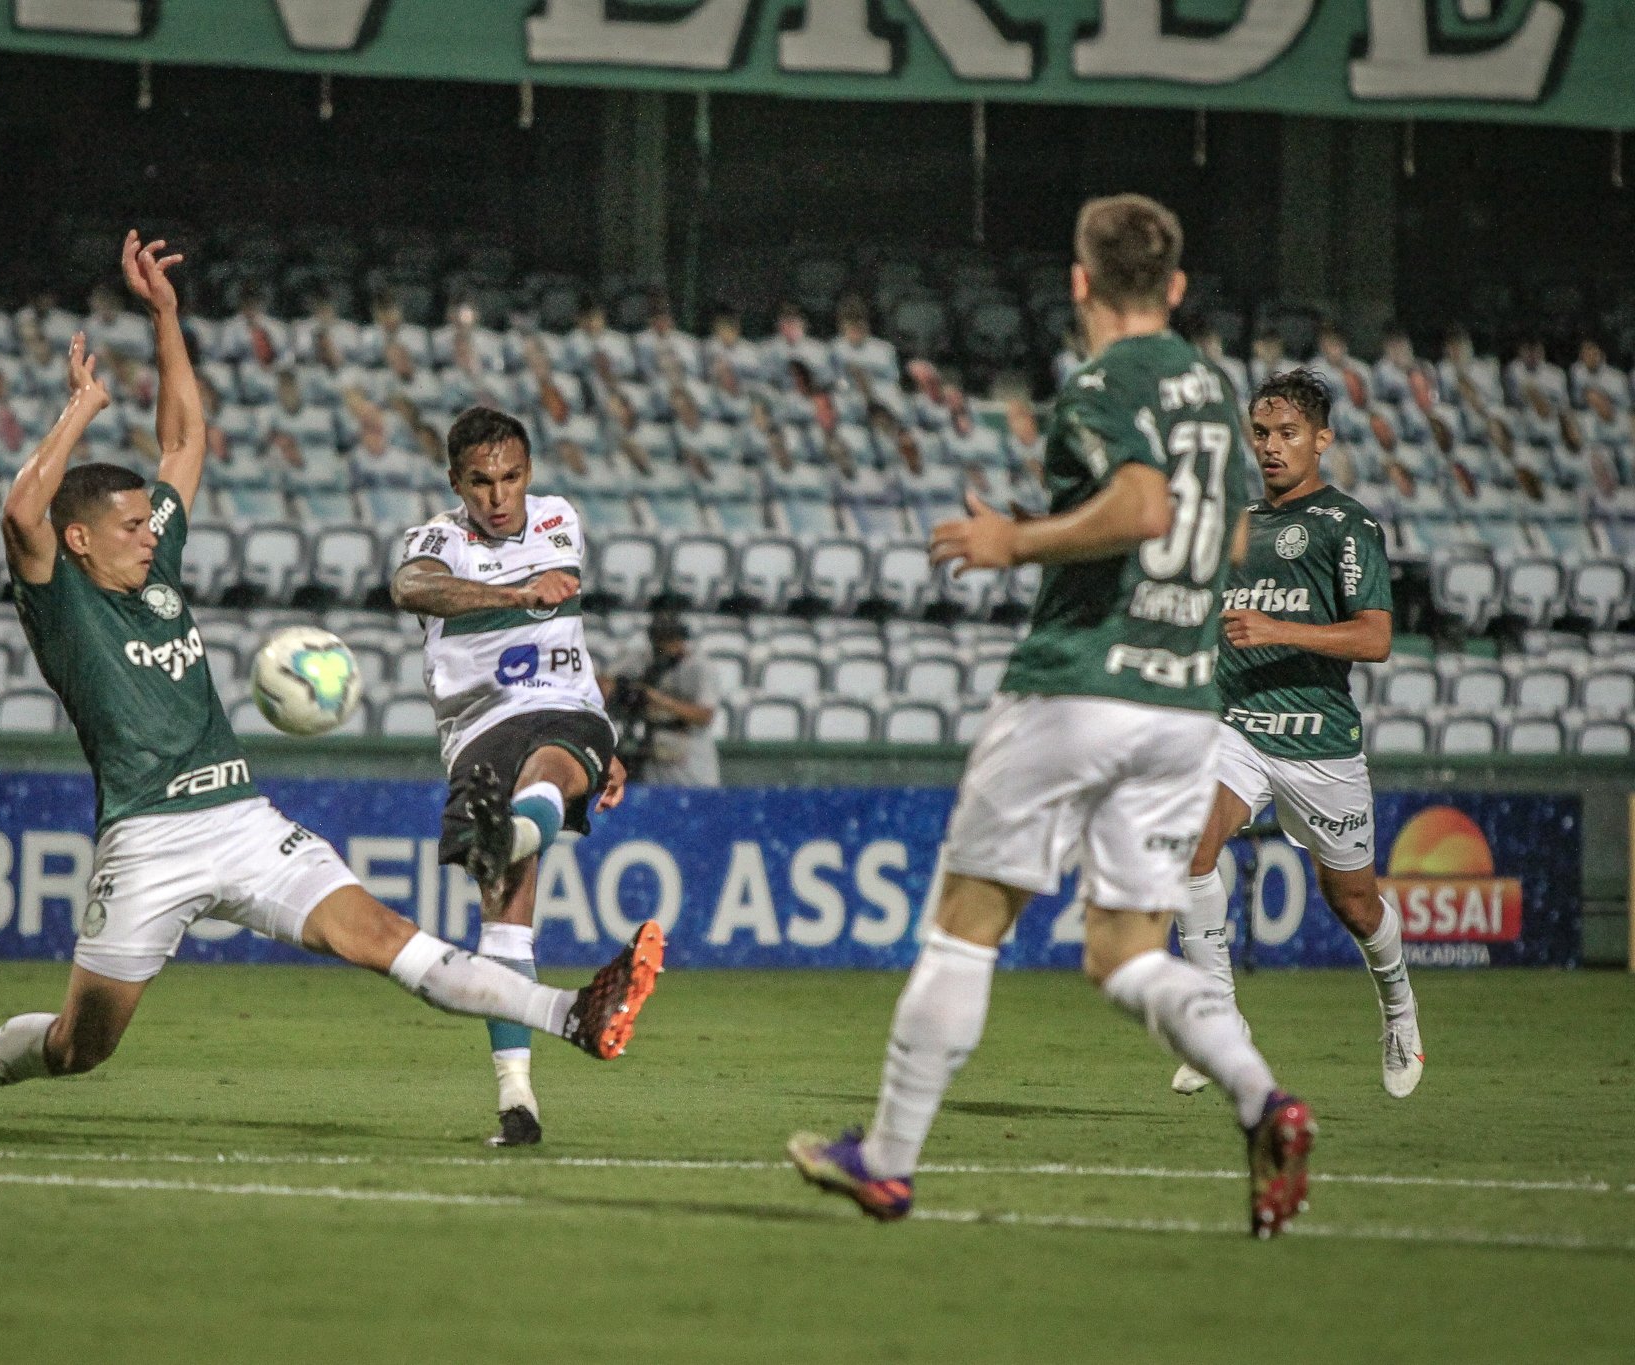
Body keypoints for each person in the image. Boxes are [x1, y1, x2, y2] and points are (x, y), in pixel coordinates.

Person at [0, 236, 662, 1141]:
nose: (150, 529)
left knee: (386, 938)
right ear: (79, 540)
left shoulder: (157, 569)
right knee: (82, 1045)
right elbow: (17, 512)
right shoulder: (59, 597)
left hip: (241, 818)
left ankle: (573, 1016)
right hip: (147, 836)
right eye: (127, 523)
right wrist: (81, 408)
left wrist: (165, 316)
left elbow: (186, 436)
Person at [787, 194, 1315, 1239]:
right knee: (1122, 951)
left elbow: (1141, 508)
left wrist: (1013, 544)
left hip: (1077, 684)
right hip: (1176, 700)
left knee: (967, 925)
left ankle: (885, 1162)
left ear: (1077, 282)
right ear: (1173, 288)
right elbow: (1213, 530)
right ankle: (1263, 1099)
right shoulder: (1214, 391)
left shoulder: (1100, 381)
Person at [1169, 367, 1423, 1101]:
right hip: (1239, 725)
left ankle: (1399, 1006)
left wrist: (1276, 628)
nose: (1272, 447)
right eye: (1262, 433)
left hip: (1319, 743)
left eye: (1287, 434)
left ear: (1321, 439)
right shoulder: (1238, 526)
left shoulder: (1349, 526)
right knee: (1191, 841)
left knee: (1354, 903)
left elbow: (1375, 639)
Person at [390, 406, 630, 1148]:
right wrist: (515, 594)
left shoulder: (560, 518)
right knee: (504, 914)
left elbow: (568, 636)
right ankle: (518, 1103)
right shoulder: (435, 539)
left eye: (512, 477)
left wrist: (602, 740)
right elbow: (413, 588)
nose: (499, 496)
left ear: (531, 472)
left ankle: (517, 824)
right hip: (479, 729)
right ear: (455, 482)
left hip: (561, 710)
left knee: (553, 764)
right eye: (481, 482)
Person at [606, 613, 720, 787]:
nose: (666, 645)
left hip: (689, 753)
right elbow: (604, 682)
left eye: (671, 639)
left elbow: (704, 716)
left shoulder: (699, 666)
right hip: (654, 751)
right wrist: (623, 689)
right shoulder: (645, 658)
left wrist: (657, 699)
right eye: (660, 639)